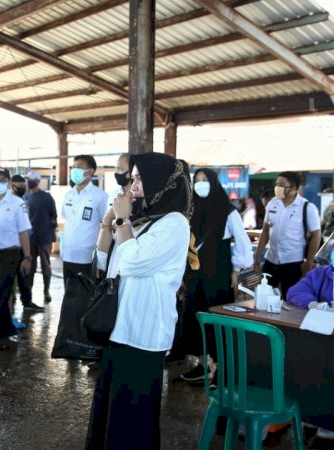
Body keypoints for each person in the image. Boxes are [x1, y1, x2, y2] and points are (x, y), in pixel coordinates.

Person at [88, 153, 190, 450]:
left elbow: (133, 262)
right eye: (132, 177)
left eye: (140, 178)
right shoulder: (141, 219)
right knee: (110, 412)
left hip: (143, 334)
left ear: (162, 183)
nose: (133, 184)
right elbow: (103, 263)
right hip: (118, 327)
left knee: (132, 418)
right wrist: (109, 222)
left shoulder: (174, 223)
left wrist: (122, 219)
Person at [175, 168, 253, 383]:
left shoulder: (228, 212)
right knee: (194, 320)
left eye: (204, 180)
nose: (200, 184)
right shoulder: (191, 211)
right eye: (197, 181)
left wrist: (238, 271)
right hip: (194, 275)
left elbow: (242, 243)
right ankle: (202, 365)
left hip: (217, 276)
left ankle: (221, 370)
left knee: (216, 320)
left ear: (214, 183)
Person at [0, 168, 34, 348]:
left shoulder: (18, 203)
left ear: (9, 183)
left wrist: (27, 257)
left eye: (3, 180)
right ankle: (6, 330)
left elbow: (23, 232)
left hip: (9, 254)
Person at [254, 171, 321, 299]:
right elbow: (265, 231)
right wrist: (257, 255)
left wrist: (309, 261)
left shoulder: (307, 207)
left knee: (290, 299)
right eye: (277, 184)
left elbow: (316, 235)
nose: (277, 187)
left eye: (282, 184)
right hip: (271, 260)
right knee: (265, 297)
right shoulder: (272, 204)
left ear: (294, 188)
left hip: (293, 262)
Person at [60, 155, 108, 294]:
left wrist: (101, 259)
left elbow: (107, 227)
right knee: (69, 297)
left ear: (91, 171)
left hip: (87, 259)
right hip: (68, 256)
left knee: (85, 299)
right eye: (73, 167)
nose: (75, 170)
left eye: (79, 167)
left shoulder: (100, 196)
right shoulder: (68, 195)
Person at [8, 174, 43, 311]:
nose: (23, 189)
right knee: (9, 277)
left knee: (25, 274)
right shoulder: (6, 201)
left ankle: (27, 301)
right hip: (11, 245)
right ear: (11, 185)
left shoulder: (25, 201)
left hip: (26, 243)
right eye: (20, 186)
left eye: (24, 186)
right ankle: (11, 304)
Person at [23, 170, 57, 303]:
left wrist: (51, 233)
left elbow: (53, 216)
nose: (28, 182)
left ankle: (46, 291)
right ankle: (29, 294)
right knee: (29, 268)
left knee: (46, 266)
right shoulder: (25, 197)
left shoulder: (46, 197)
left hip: (44, 238)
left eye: (30, 180)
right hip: (30, 239)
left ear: (37, 181)